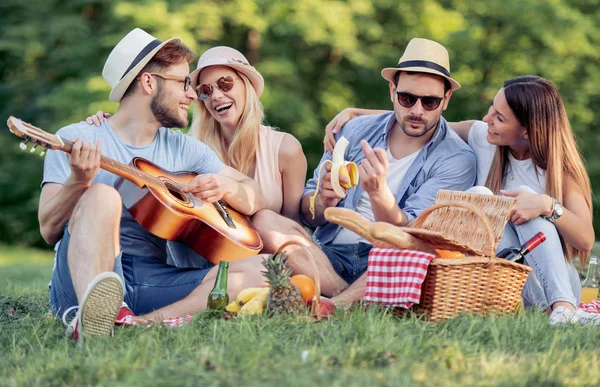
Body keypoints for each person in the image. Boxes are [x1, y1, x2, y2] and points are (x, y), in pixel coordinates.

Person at [42, 28, 268, 343]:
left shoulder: (184, 149)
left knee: (264, 269)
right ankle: (93, 313)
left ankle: (136, 324)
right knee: (103, 195)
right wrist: (79, 182)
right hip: (80, 281)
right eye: (183, 83)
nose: (193, 94)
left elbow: (254, 193)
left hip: (149, 279)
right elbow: (48, 229)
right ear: (149, 82)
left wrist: (226, 188)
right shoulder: (77, 138)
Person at [323, 76, 598, 325]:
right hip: (499, 285)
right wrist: (354, 114)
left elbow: (585, 239)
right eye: (492, 108)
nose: (487, 118)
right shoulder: (483, 138)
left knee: (529, 198)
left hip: (549, 284)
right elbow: (423, 118)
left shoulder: (560, 171)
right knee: (479, 196)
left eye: (499, 117)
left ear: (527, 130)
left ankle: (563, 309)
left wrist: (547, 206)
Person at [251, 38, 477, 305]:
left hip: (389, 261)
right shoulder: (355, 129)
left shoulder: (457, 159)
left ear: (446, 99)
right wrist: (323, 200)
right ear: (392, 90)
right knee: (265, 221)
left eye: (429, 102)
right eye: (407, 98)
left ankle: (336, 302)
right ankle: (349, 296)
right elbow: (309, 215)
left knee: (414, 254)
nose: (416, 110)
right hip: (330, 255)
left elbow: (413, 238)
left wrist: (379, 195)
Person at [87, 46, 307, 223]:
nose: (217, 96)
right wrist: (115, 124)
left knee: (266, 220)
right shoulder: (192, 149)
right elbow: (141, 135)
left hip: (277, 259)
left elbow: (294, 222)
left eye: (225, 83)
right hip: (216, 256)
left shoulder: (286, 149)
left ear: (246, 86)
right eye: (205, 91)